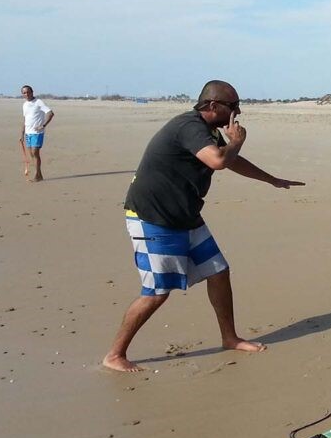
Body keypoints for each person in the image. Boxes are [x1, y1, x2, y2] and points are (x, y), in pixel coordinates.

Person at [101, 80, 305, 373]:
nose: (238, 112)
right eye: (232, 106)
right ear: (212, 106)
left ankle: (229, 337)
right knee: (157, 292)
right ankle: (115, 354)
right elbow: (219, 160)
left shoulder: (207, 130)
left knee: (219, 272)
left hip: (185, 216)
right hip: (154, 217)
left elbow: (233, 162)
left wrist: (271, 179)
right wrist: (236, 140)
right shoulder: (189, 126)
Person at [19, 85, 54, 182]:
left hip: (37, 132)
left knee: (35, 152)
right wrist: (22, 133)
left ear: (32, 92)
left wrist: (43, 125)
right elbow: (25, 119)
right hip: (28, 133)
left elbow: (50, 113)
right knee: (31, 154)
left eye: (28, 92)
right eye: (24, 93)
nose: (26, 94)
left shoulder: (38, 102)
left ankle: (37, 175)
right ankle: (39, 175)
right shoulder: (25, 104)